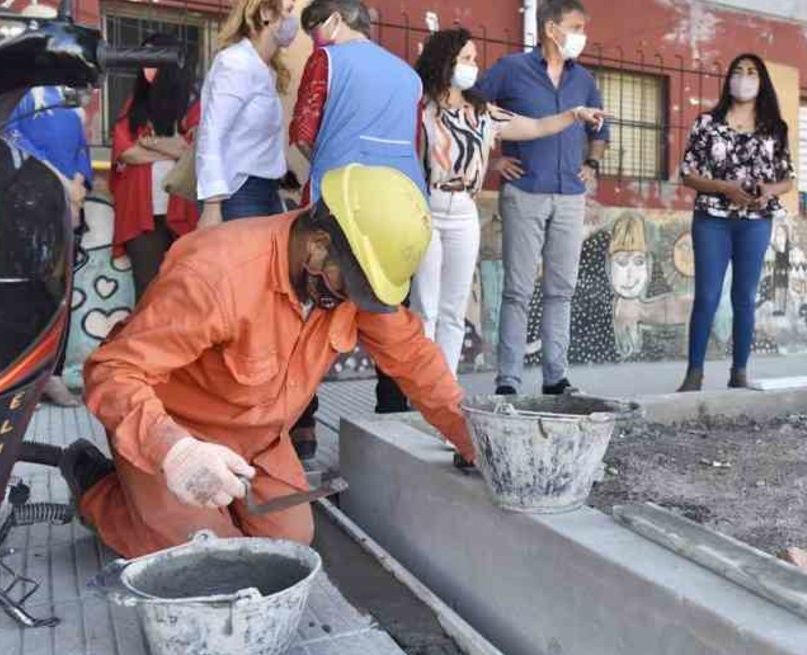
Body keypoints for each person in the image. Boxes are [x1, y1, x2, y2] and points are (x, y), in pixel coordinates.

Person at [57, 165, 475, 558]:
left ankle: (176, 506)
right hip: (177, 431)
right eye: (348, 287)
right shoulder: (217, 274)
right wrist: (175, 452)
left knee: (291, 542)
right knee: (207, 557)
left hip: (259, 442)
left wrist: (473, 439)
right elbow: (112, 372)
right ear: (317, 246)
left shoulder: (349, 277)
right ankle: (99, 491)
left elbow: (415, 358)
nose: (353, 302)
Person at [412, 28, 605, 374]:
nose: (474, 66)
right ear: (446, 62)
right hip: (426, 206)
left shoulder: (482, 111)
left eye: (474, 58)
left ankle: (445, 387)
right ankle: (420, 387)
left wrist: (573, 114)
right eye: (467, 59)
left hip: (463, 211)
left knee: (453, 309)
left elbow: (535, 127)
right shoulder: (420, 107)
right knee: (426, 305)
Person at [290, 0, 422, 415]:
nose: (313, 39)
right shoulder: (408, 75)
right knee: (391, 309)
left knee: (312, 306)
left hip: (338, 201)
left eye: (313, 28)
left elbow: (302, 132)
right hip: (403, 205)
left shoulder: (326, 59)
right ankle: (393, 407)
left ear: (335, 20)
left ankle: (302, 420)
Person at [475, 0, 609, 396]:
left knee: (560, 290)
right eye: (577, 26)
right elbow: (472, 113)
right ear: (552, 29)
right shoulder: (510, 69)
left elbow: (601, 131)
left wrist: (593, 164)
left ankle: (556, 379)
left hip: (570, 196)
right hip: (524, 192)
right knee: (517, 289)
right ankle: (508, 382)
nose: (582, 35)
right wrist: (494, 160)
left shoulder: (583, 79)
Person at [676, 53, 795, 392]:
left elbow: (788, 178)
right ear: (728, 79)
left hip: (756, 221)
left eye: (752, 72)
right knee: (707, 296)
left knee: (744, 296)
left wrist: (768, 190)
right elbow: (688, 174)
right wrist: (724, 187)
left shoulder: (775, 129)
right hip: (712, 220)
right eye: (738, 72)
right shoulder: (706, 124)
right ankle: (693, 375)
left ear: (762, 81)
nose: (744, 78)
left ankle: (739, 372)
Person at [2, 3, 93, 406]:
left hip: (66, 205)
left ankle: (52, 374)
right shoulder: (16, 87)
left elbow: (82, 147)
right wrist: (59, 182)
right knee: (28, 290)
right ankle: (20, 377)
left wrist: (78, 183)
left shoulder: (64, 90)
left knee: (61, 291)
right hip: (29, 202)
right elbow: (12, 138)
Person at [109, 33, 200, 301]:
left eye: (151, 57)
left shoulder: (192, 102)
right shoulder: (134, 104)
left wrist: (150, 143)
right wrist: (168, 148)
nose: (145, 65)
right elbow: (126, 153)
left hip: (181, 209)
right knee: (147, 290)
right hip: (141, 213)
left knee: (181, 292)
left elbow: (190, 151)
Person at [196, 0, 297, 226]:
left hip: (264, 191)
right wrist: (212, 206)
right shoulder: (237, 63)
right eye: (289, 10)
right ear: (266, 13)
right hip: (237, 193)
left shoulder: (264, 69)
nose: (293, 21)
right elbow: (212, 133)